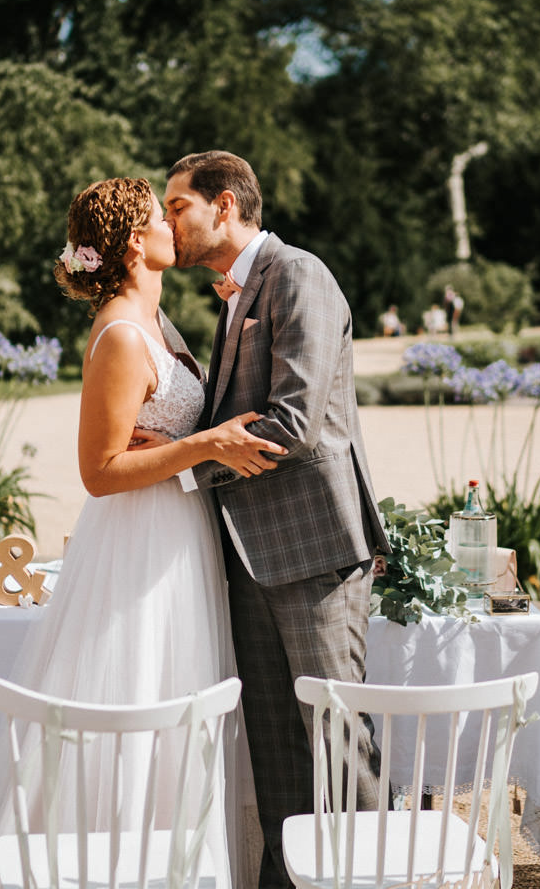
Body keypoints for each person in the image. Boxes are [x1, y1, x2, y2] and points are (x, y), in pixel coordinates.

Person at [0, 177, 281, 889]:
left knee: (181, 705)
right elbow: (100, 470)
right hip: (139, 541)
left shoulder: (161, 325)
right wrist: (205, 444)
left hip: (180, 536)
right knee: (136, 689)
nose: (174, 229)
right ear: (128, 244)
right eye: (159, 218)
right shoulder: (120, 333)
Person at [163, 150, 390, 888]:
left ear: (224, 205)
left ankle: (369, 878)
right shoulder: (234, 296)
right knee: (277, 757)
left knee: (339, 744)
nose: (170, 223)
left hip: (312, 550)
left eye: (178, 207)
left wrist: (184, 462)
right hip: (249, 556)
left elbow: (291, 423)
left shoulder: (297, 274)